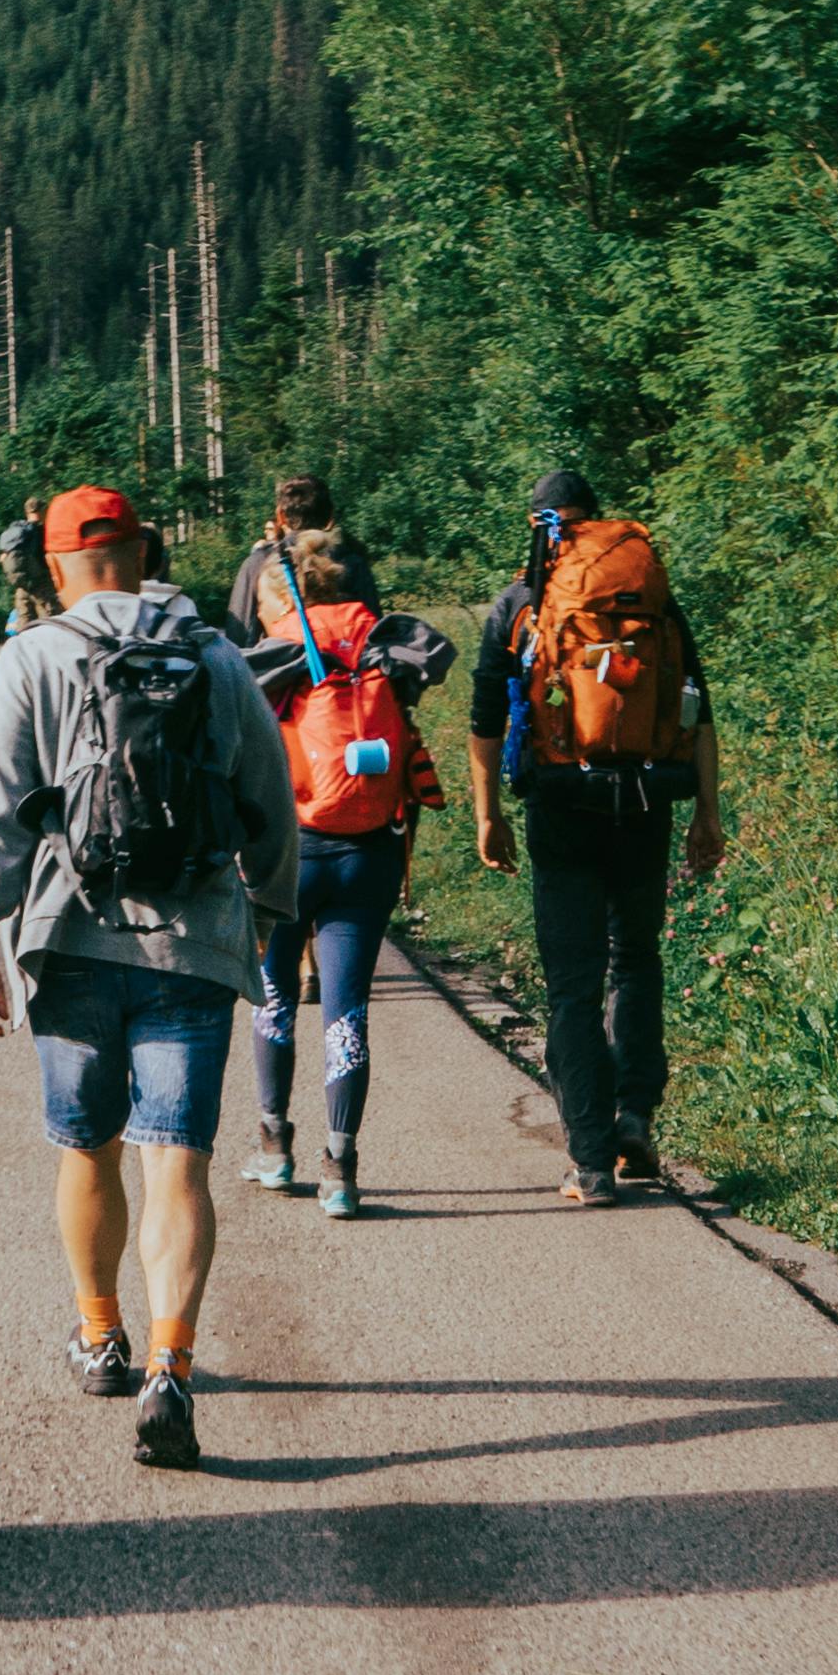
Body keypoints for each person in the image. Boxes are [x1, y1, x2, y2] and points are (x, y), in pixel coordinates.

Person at [0, 478, 296, 1472]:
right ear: (145, 551)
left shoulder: (33, 656)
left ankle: (99, 1336)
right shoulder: (217, 657)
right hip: (192, 944)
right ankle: (170, 1368)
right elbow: (268, 799)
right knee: (174, 1157)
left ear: (53, 567)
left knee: (86, 1146)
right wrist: (269, 919)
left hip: (71, 940)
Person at [467, 470, 727, 1205]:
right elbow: (697, 708)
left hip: (562, 806)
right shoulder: (648, 595)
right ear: (595, 522)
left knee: (573, 987)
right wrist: (707, 811)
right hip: (647, 801)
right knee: (635, 958)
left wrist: (489, 812)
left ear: (538, 523)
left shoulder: (522, 602)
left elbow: (486, 724)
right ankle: (635, 1116)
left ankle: (588, 1161)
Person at [238, 528, 452, 1216]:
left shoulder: (279, 641)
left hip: (290, 851)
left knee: (274, 995)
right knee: (347, 1009)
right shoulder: (380, 638)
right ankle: (342, 1165)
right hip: (370, 849)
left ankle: (274, 1147)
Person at [223, 470, 381, 651]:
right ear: (330, 518)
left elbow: (238, 636)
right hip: (345, 671)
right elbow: (375, 632)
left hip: (281, 672)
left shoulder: (259, 562)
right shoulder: (353, 562)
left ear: (280, 516)